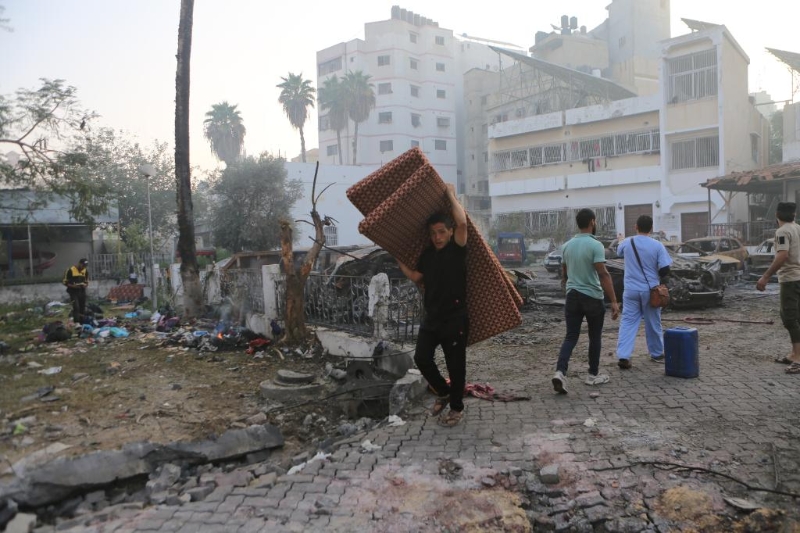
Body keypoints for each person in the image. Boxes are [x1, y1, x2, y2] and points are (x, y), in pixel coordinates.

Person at [397, 183, 469, 427]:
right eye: (433, 233)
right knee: (422, 357)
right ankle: (443, 391)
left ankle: (457, 408)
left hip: (455, 317)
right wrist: (398, 260)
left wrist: (450, 194)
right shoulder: (427, 255)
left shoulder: (458, 249)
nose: (437, 237)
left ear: (449, 232)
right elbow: (417, 278)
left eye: (441, 232)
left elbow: (462, 223)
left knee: (455, 365)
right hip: (432, 318)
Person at [552, 208, 620, 394]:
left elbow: (565, 275)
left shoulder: (566, 246)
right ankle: (592, 375)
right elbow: (603, 274)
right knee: (594, 336)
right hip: (591, 296)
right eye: (595, 221)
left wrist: (570, 286)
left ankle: (560, 372)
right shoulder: (595, 245)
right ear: (591, 222)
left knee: (571, 336)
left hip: (572, 295)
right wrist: (614, 301)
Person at [615, 215, 672, 368]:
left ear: (636, 227)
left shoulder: (627, 242)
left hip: (630, 291)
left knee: (628, 322)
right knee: (653, 322)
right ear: (651, 228)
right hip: (650, 291)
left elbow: (618, 252)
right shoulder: (657, 245)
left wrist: (620, 239)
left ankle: (623, 356)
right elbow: (665, 269)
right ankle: (657, 353)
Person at [756, 202, 800, 374]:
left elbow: (783, 255)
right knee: (797, 317)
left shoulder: (782, 231)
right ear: (794, 215)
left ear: (777, 215)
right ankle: (794, 354)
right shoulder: (798, 228)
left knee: (789, 317)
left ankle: (797, 357)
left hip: (790, 280)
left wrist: (765, 276)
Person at [63, 258, 89, 324]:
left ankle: (82, 322)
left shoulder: (85, 271)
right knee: (76, 307)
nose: (84, 267)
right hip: (73, 292)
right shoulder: (70, 270)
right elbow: (65, 281)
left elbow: (87, 281)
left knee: (82, 307)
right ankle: (77, 322)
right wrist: (73, 286)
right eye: (83, 265)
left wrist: (85, 285)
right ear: (79, 263)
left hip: (82, 291)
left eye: (85, 266)